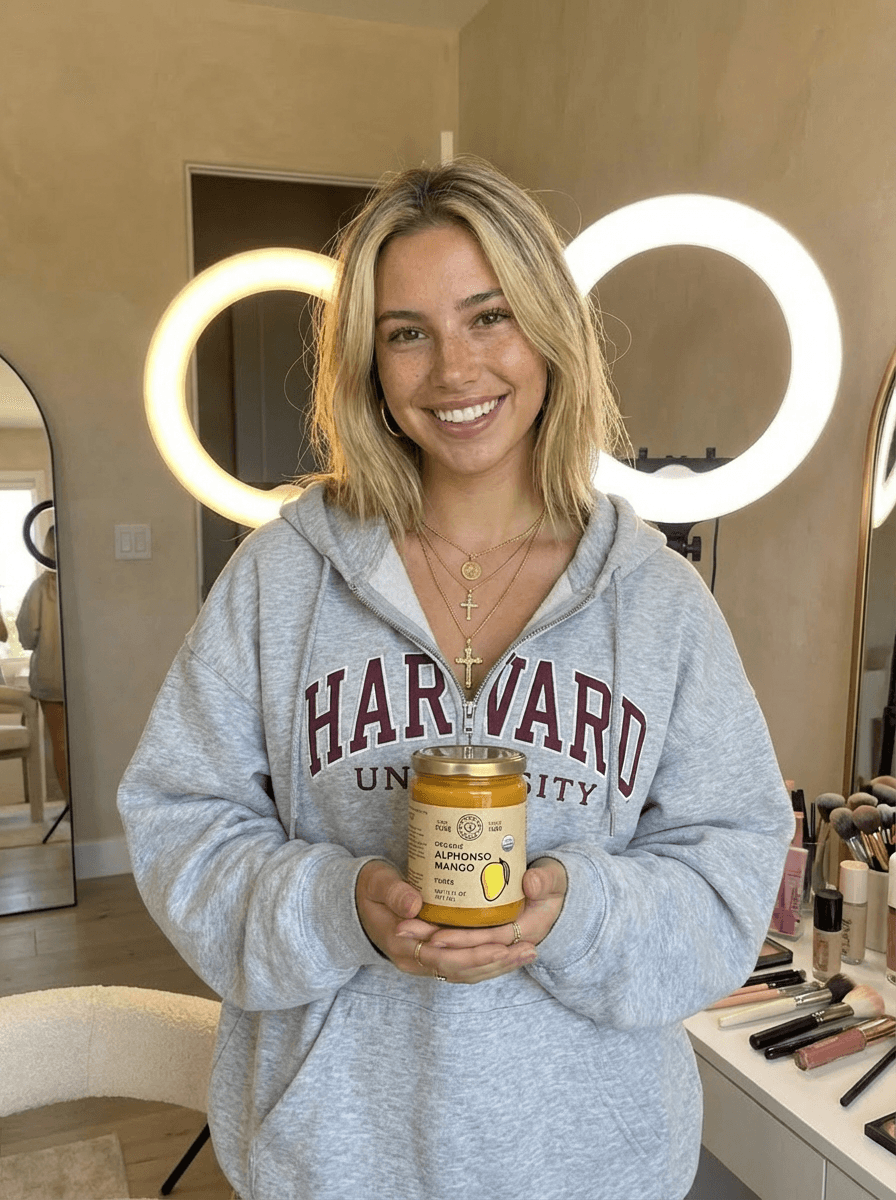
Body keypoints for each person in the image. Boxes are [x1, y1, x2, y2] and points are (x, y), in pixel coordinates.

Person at [118, 157, 793, 1200]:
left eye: (488, 317)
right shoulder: (283, 578)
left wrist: (579, 908)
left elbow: (730, 862)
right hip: (333, 1162)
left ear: (547, 330)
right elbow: (179, 819)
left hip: (586, 1163)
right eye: (407, 332)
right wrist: (342, 905)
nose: (453, 370)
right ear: (369, 364)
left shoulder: (653, 601)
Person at [17, 526, 67, 798]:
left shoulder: (39, 588)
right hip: (84, 677)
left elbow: (26, 637)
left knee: (60, 745)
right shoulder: (86, 582)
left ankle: (72, 807)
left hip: (49, 677)